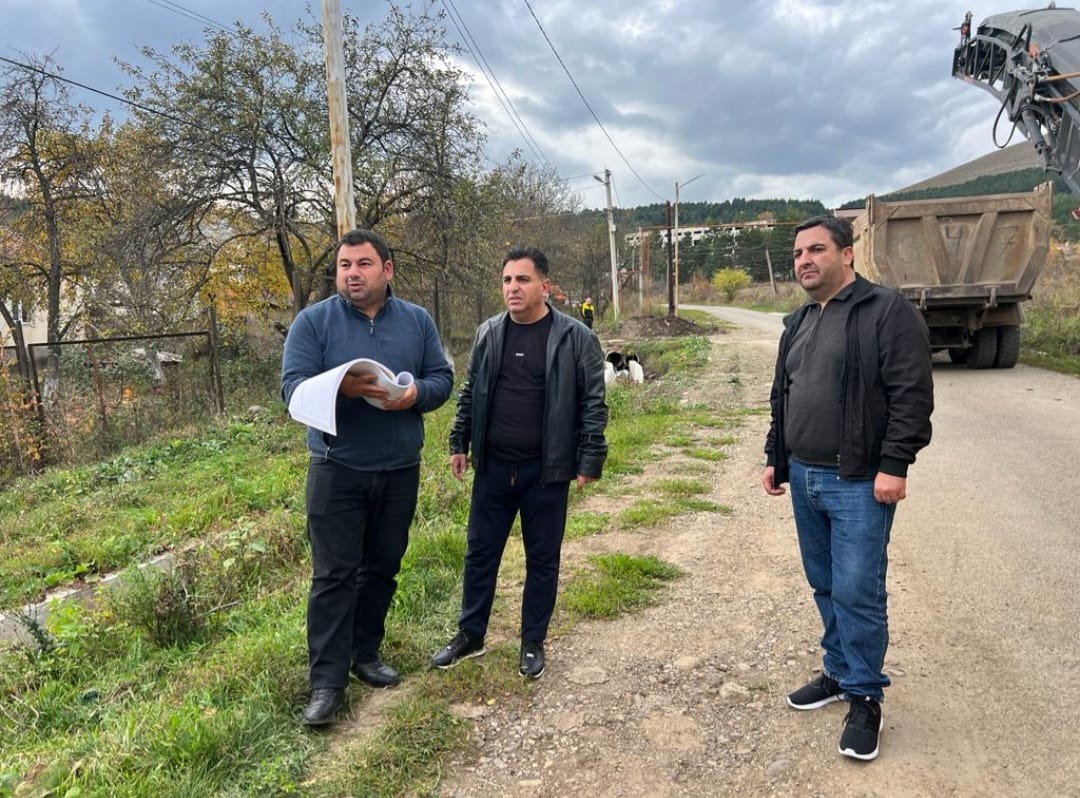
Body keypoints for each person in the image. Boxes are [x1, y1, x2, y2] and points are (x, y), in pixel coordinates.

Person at [761, 215, 933, 761]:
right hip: (804, 474)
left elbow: (912, 395)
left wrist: (895, 464)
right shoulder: (798, 320)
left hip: (858, 479)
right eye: (797, 254)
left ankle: (864, 697)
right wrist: (776, 457)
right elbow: (783, 395)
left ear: (847, 254)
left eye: (816, 250)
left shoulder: (886, 311)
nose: (804, 261)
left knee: (858, 589)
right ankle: (838, 671)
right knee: (825, 583)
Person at [281, 228, 453, 726]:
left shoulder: (417, 321)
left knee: (382, 567)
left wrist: (415, 394)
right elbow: (292, 389)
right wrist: (344, 388)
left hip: (399, 469)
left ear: (387, 269)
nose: (352, 274)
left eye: (362, 264)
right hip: (336, 469)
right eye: (344, 266)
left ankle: (365, 653)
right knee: (333, 576)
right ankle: (326, 683)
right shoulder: (313, 323)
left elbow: (442, 379)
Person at [432, 246, 608, 679]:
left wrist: (589, 458)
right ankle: (471, 634)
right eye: (507, 280)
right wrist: (458, 441)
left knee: (542, 559)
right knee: (480, 554)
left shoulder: (575, 337)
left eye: (523, 280)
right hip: (493, 467)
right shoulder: (489, 333)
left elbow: (593, 402)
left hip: (546, 470)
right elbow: (471, 392)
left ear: (544, 286)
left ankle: (532, 641)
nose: (513, 288)